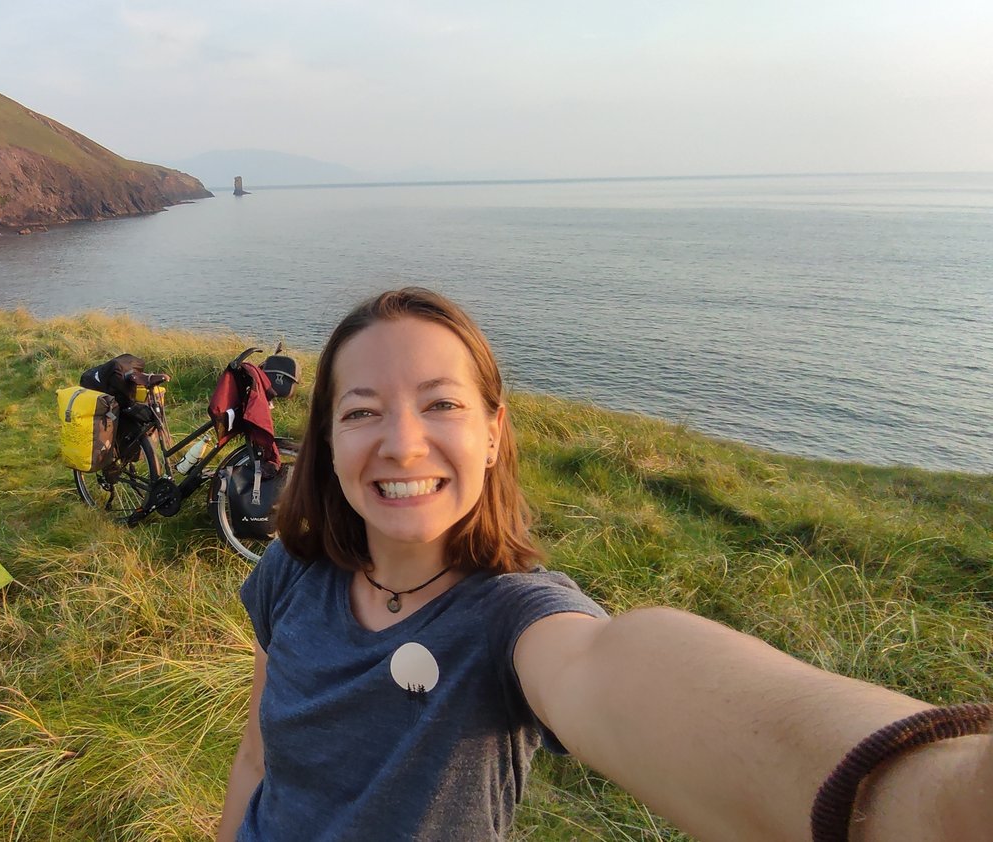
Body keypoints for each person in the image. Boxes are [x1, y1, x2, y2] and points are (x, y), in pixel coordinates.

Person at [215, 288, 991, 842]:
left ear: (492, 433)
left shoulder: (511, 619)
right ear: (328, 442)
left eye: (441, 403)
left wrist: (932, 794)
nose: (403, 443)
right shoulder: (292, 573)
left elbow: (609, 668)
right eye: (360, 411)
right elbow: (257, 756)